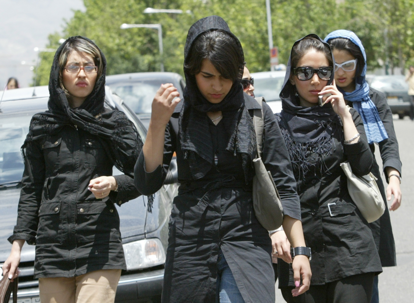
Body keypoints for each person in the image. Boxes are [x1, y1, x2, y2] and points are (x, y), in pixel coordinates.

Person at [134, 15, 311, 303]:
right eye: (207, 77)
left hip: (246, 238)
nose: (217, 86)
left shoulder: (257, 114)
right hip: (189, 244)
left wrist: (300, 249)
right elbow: (147, 181)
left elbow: (284, 186)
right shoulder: (176, 116)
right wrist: (156, 123)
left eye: (226, 77)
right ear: (192, 73)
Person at [2, 36, 142, 303]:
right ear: (60, 74)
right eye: (73, 67)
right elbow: (32, 188)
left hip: (99, 243)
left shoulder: (112, 123)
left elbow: (146, 176)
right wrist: (17, 247)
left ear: (98, 73)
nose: (82, 74)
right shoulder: (42, 126)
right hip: (52, 248)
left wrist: (113, 184)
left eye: (89, 67)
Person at [275, 34, 382, 302]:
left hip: (349, 244)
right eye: (304, 72)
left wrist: (344, 114)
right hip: (299, 246)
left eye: (323, 72)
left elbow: (364, 167)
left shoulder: (347, 116)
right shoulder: (275, 126)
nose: (314, 80)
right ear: (291, 76)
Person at [324, 29, 402, 303]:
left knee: (366, 268)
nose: (341, 72)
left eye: (348, 64)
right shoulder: (318, 99)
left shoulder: (375, 100)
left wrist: (393, 177)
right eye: (334, 64)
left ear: (360, 63)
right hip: (329, 193)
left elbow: (388, 144)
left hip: (364, 190)